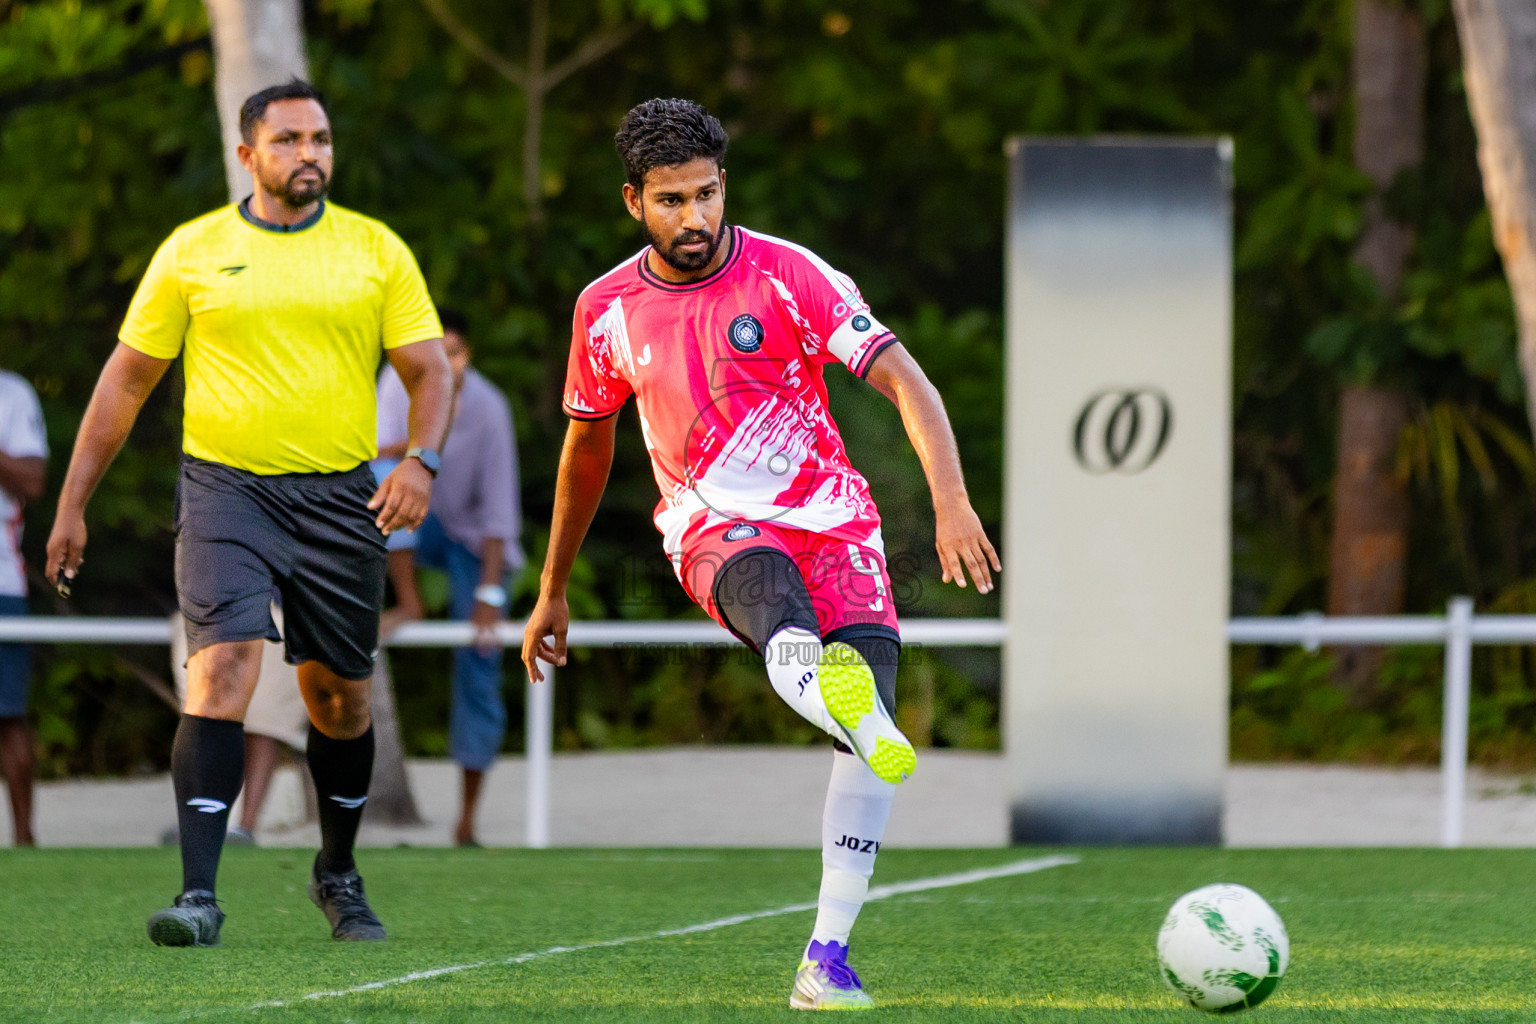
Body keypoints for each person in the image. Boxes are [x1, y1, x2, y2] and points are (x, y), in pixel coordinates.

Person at [522, 99, 1000, 1010]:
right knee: (781, 620)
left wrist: (951, 503)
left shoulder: (792, 275)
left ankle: (825, 961)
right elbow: (587, 449)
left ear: (724, 185)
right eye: (671, 201)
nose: (693, 218)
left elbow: (906, 379)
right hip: (712, 524)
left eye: (706, 195)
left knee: (868, 741)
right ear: (634, 202)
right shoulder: (606, 309)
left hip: (836, 522)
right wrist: (553, 587)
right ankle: (837, 695)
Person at [45, 79, 453, 947]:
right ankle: (199, 893)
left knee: (339, 701)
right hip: (225, 489)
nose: (310, 154)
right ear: (248, 155)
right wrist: (72, 503)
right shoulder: (193, 251)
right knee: (220, 668)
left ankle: (336, 873)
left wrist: (420, 460)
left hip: (343, 497)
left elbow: (429, 369)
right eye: (290, 140)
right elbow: (124, 382)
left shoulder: (376, 251)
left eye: (321, 139)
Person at [376, 306, 523, 847]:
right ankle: (407, 600)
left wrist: (487, 594)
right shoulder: (396, 381)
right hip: (414, 517)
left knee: (480, 658)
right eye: (436, 351)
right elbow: (372, 458)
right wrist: (415, 450)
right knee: (378, 482)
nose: (445, 362)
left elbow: (499, 515)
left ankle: (467, 820)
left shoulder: (488, 408)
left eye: (455, 352)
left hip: (470, 541)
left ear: (468, 355)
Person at [0, 368, 46, 848]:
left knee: (9, 714)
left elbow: (33, 481)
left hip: (1, 581)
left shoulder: (12, 392)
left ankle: (25, 841)